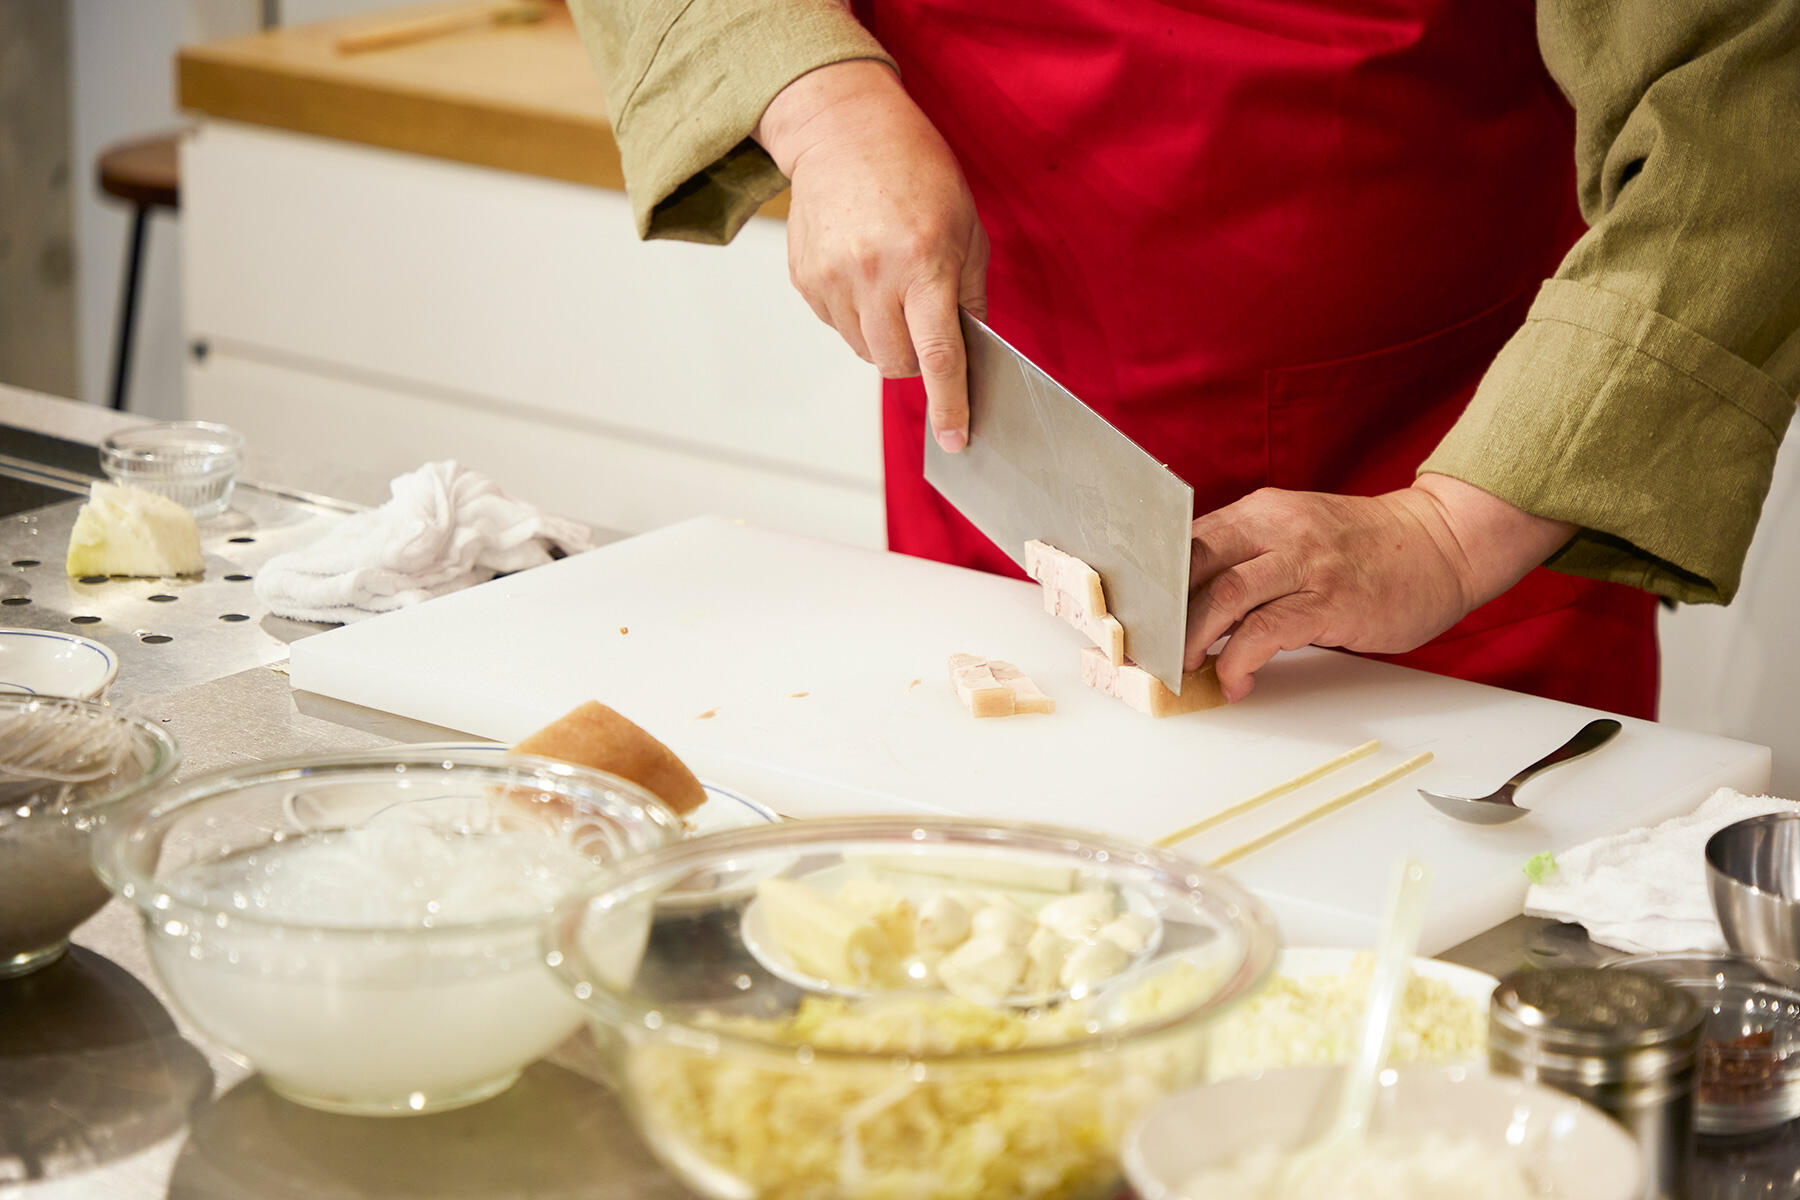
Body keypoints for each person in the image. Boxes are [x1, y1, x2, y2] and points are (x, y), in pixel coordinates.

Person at [567, 0, 1800, 719]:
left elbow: (1745, 109)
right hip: (1007, 443)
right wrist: (822, 105)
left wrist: (1449, 535)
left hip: (1466, 493)